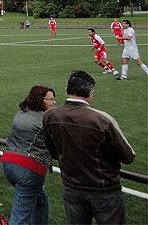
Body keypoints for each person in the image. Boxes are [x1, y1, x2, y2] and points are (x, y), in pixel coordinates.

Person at [43, 70, 135, 225]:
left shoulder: (50, 115)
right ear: (90, 93)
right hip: (103, 188)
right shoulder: (102, 119)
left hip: (71, 185)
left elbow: (51, 148)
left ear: (67, 89)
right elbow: (128, 156)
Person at [1, 86, 56, 225]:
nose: (54, 102)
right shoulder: (46, 119)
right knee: (20, 216)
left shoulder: (21, 112)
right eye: (51, 99)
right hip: (29, 168)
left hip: (8, 163)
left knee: (40, 201)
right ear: (40, 100)